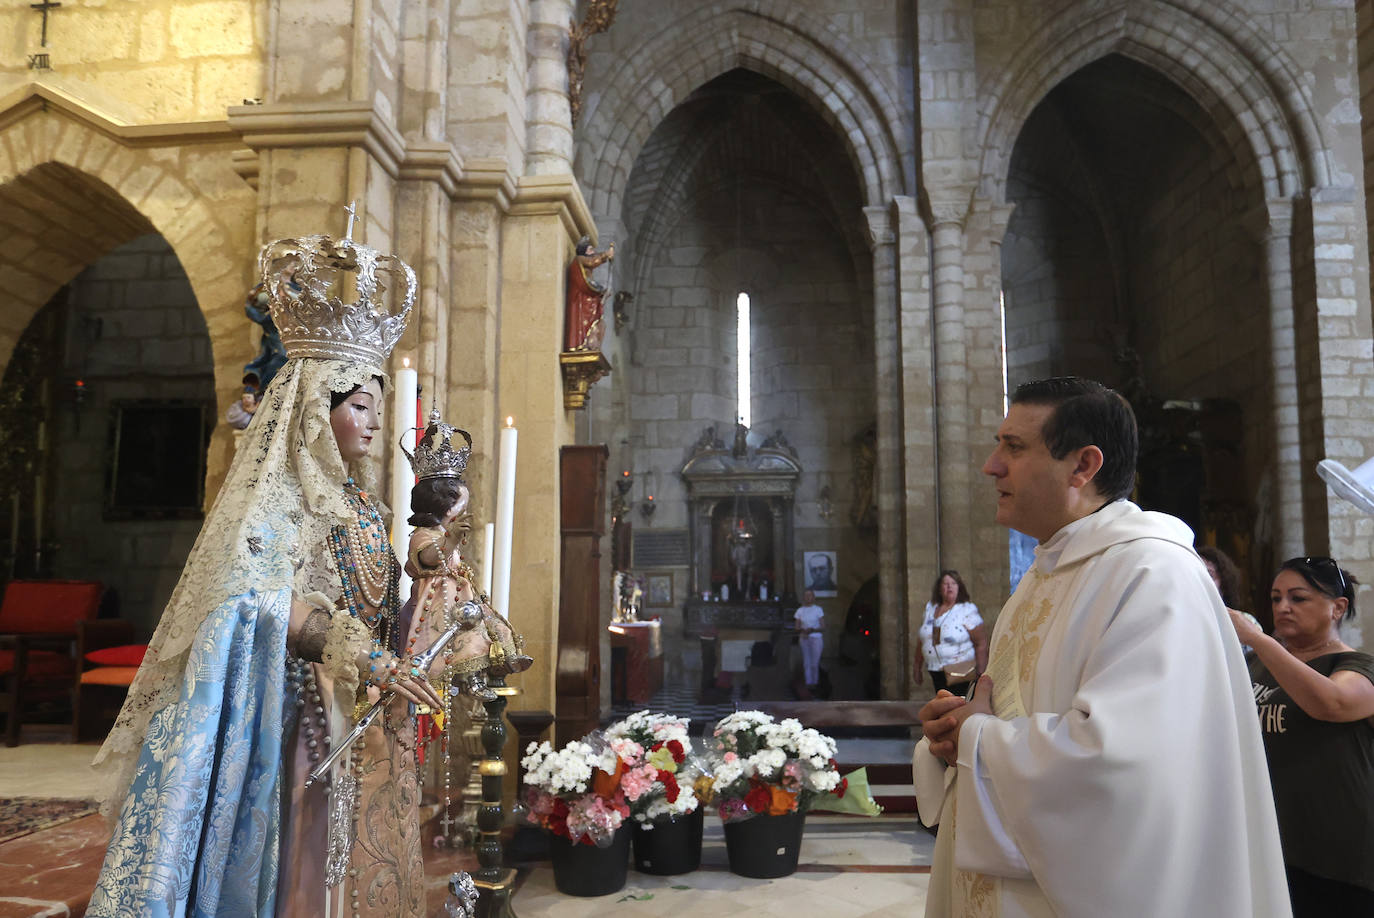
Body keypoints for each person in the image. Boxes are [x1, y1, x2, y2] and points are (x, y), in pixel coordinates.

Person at [87, 233, 446, 917]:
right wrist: (356, 652)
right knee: (302, 866)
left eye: (378, 407)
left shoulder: (363, 504)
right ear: (315, 409)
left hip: (360, 708)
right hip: (293, 714)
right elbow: (250, 598)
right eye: (359, 406)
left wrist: (426, 590)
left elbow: (378, 597)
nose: (374, 423)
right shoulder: (277, 500)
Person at [914, 376, 1289, 917]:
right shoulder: (1042, 575)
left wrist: (975, 737)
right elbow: (1006, 708)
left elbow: (1123, 764)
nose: (991, 466)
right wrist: (953, 733)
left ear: (1083, 466)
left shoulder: (1154, 573)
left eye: (1014, 447)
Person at [1229, 557, 1374, 916]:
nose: (1283, 607)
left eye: (1298, 598)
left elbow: (1332, 703)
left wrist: (1257, 639)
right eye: (1276, 598)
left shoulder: (1357, 666)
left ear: (1337, 608)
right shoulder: (1257, 664)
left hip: (1338, 854)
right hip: (1273, 842)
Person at [404, 411, 531, 704]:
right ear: (439, 504)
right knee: (459, 638)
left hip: (459, 598)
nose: (461, 515)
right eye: (458, 509)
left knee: (481, 629)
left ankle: (495, 664)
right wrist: (449, 541)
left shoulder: (441, 533)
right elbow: (429, 558)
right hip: (435, 602)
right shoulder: (423, 535)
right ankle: (458, 679)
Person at [914, 570, 987, 694]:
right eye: (945, 583)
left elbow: (981, 642)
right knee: (943, 700)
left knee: (957, 702)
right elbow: (922, 640)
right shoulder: (930, 609)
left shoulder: (966, 610)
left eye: (953, 583)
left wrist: (981, 670)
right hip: (935, 669)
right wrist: (917, 666)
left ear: (959, 587)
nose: (949, 587)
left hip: (960, 670)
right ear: (939, 588)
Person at [1199, 544, 1262, 656]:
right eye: (1197, 574)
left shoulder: (1245, 622)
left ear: (1224, 584)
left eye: (1209, 575)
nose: (1201, 580)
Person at [565, 235, 614, 351]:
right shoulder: (580, 259)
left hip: (588, 299)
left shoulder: (586, 269)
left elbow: (591, 284)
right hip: (580, 299)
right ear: (584, 251)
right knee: (585, 324)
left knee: (598, 324)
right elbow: (592, 262)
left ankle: (591, 345)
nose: (593, 252)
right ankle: (583, 344)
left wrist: (602, 291)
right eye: (591, 250)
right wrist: (605, 254)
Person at [794, 589, 825, 688]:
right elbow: (796, 627)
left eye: (810, 595)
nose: (808, 597)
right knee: (806, 662)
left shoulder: (818, 609)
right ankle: (808, 684)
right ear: (803, 597)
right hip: (804, 638)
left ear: (813, 597)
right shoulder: (800, 610)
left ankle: (815, 683)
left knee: (814, 663)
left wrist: (812, 630)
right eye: (806, 595)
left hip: (816, 638)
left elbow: (823, 627)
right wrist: (802, 630)